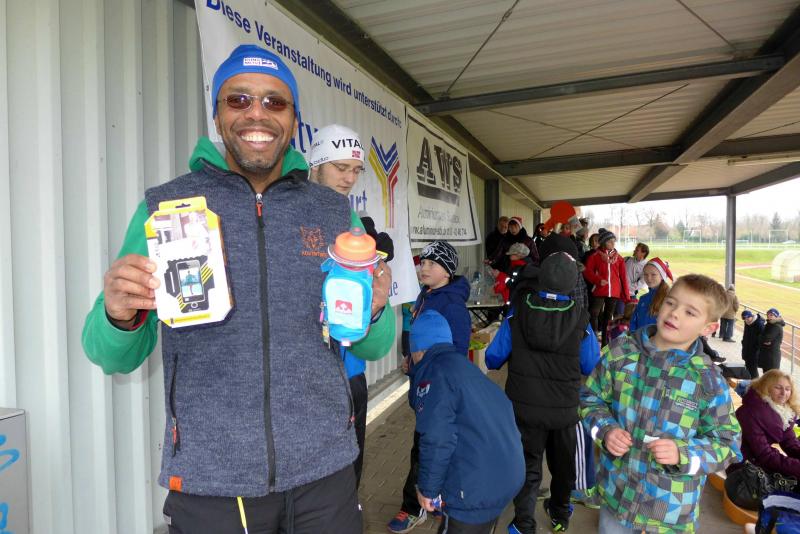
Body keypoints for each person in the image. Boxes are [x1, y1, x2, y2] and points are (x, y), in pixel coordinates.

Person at [81, 45, 397, 533]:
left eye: (275, 102)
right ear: (217, 115)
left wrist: (375, 310)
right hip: (212, 481)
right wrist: (118, 315)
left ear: (293, 120)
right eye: (239, 99)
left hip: (324, 472)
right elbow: (110, 356)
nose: (257, 113)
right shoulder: (165, 208)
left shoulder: (334, 213)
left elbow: (375, 345)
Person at [580, 274, 741, 533]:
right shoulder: (620, 353)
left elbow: (728, 443)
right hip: (616, 498)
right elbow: (590, 399)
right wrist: (606, 430)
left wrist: (683, 453)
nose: (675, 313)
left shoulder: (708, 380)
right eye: (671, 302)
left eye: (690, 312)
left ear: (708, 328)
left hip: (670, 513)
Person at [307, 123, 396, 488]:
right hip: (303, 382)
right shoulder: (289, 213)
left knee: (346, 487)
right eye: (340, 167)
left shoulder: (351, 222)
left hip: (349, 375)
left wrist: (375, 309)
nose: (349, 179)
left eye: (356, 170)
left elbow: (377, 342)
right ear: (316, 164)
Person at [485, 252, 590, 534]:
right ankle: (560, 515)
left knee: (528, 465)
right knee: (563, 465)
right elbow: (591, 363)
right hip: (565, 410)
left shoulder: (518, 311)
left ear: (541, 277)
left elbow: (493, 358)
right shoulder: (581, 317)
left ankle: (523, 523)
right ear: (573, 283)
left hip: (524, 408)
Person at [408, 310, 525, 534]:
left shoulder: (434, 375)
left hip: (476, 486)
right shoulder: (463, 368)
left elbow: (438, 438)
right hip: (506, 474)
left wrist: (428, 489)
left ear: (418, 349)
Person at [389, 240, 471, 533]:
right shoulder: (425, 295)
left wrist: (441, 384)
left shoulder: (453, 306)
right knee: (433, 445)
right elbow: (420, 338)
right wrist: (410, 361)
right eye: (422, 262)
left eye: (431, 264)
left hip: (439, 391)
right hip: (422, 382)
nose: (423, 268)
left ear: (447, 271)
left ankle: (413, 507)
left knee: (424, 447)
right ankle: (436, 500)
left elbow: (457, 352)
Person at [732, 369, 800, 481]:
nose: (784, 393)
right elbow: (764, 454)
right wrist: (796, 466)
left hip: (760, 461)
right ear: (765, 388)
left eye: (788, 389)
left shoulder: (784, 412)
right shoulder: (750, 412)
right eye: (778, 387)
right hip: (744, 465)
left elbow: (790, 442)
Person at [583, 228, 630, 346]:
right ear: (603, 242)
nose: (613, 243)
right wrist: (598, 280)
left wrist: (626, 295)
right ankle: (593, 338)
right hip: (599, 290)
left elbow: (623, 277)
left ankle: (605, 342)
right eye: (610, 241)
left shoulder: (619, 258)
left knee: (608, 318)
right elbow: (587, 271)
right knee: (594, 313)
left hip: (614, 291)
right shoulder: (595, 256)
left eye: (614, 241)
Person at [629, 257, 672, 332]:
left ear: (662, 276)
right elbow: (633, 322)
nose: (648, 278)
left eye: (653, 274)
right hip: (639, 338)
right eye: (645, 274)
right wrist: (633, 336)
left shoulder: (669, 299)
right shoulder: (643, 298)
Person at [621, 243, 649, 317]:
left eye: (637, 250)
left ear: (643, 253)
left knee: (630, 316)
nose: (634, 251)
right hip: (620, 294)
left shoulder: (646, 266)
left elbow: (641, 283)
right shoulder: (626, 259)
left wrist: (626, 288)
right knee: (619, 314)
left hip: (631, 295)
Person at [759, 308, 786, 373]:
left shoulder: (776, 326)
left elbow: (766, 338)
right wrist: (762, 339)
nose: (769, 316)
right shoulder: (770, 324)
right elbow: (763, 337)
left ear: (776, 316)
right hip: (767, 355)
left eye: (771, 315)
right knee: (766, 375)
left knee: (771, 376)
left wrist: (761, 338)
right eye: (768, 315)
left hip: (772, 357)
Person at [741, 310, 765, 379]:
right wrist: (743, 342)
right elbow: (745, 335)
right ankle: (749, 381)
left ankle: (756, 382)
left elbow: (762, 338)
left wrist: (757, 347)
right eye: (744, 319)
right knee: (748, 367)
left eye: (747, 318)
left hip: (754, 351)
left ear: (751, 316)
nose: (746, 320)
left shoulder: (759, 324)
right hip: (747, 348)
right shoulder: (747, 323)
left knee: (753, 369)